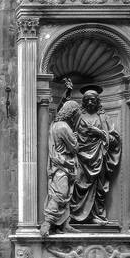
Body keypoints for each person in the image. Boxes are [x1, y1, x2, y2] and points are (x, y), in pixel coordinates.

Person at [69, 85, 122, 225]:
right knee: (77, 184)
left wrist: (100, 133)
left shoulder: (103, 118)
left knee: (99, 188)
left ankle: (97, 215)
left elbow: (115, 140)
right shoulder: (78, 117)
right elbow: (64, 125)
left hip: (98, 157)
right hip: (80, 157)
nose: (90, 102)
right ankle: (76, 215)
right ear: (83, 102)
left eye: (92, 99)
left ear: (97, 101)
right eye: (87, 100)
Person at [41, 99, 81, 237]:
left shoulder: (55, 125)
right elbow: (74, 147)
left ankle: (64, 224)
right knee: (60, 193)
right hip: (63, 164)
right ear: (72, 113)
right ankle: (47, 223)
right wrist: (75, 138)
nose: (77, 117)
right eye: (76, 114)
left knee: (66, 193)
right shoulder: (64, 127)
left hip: (61, 164)